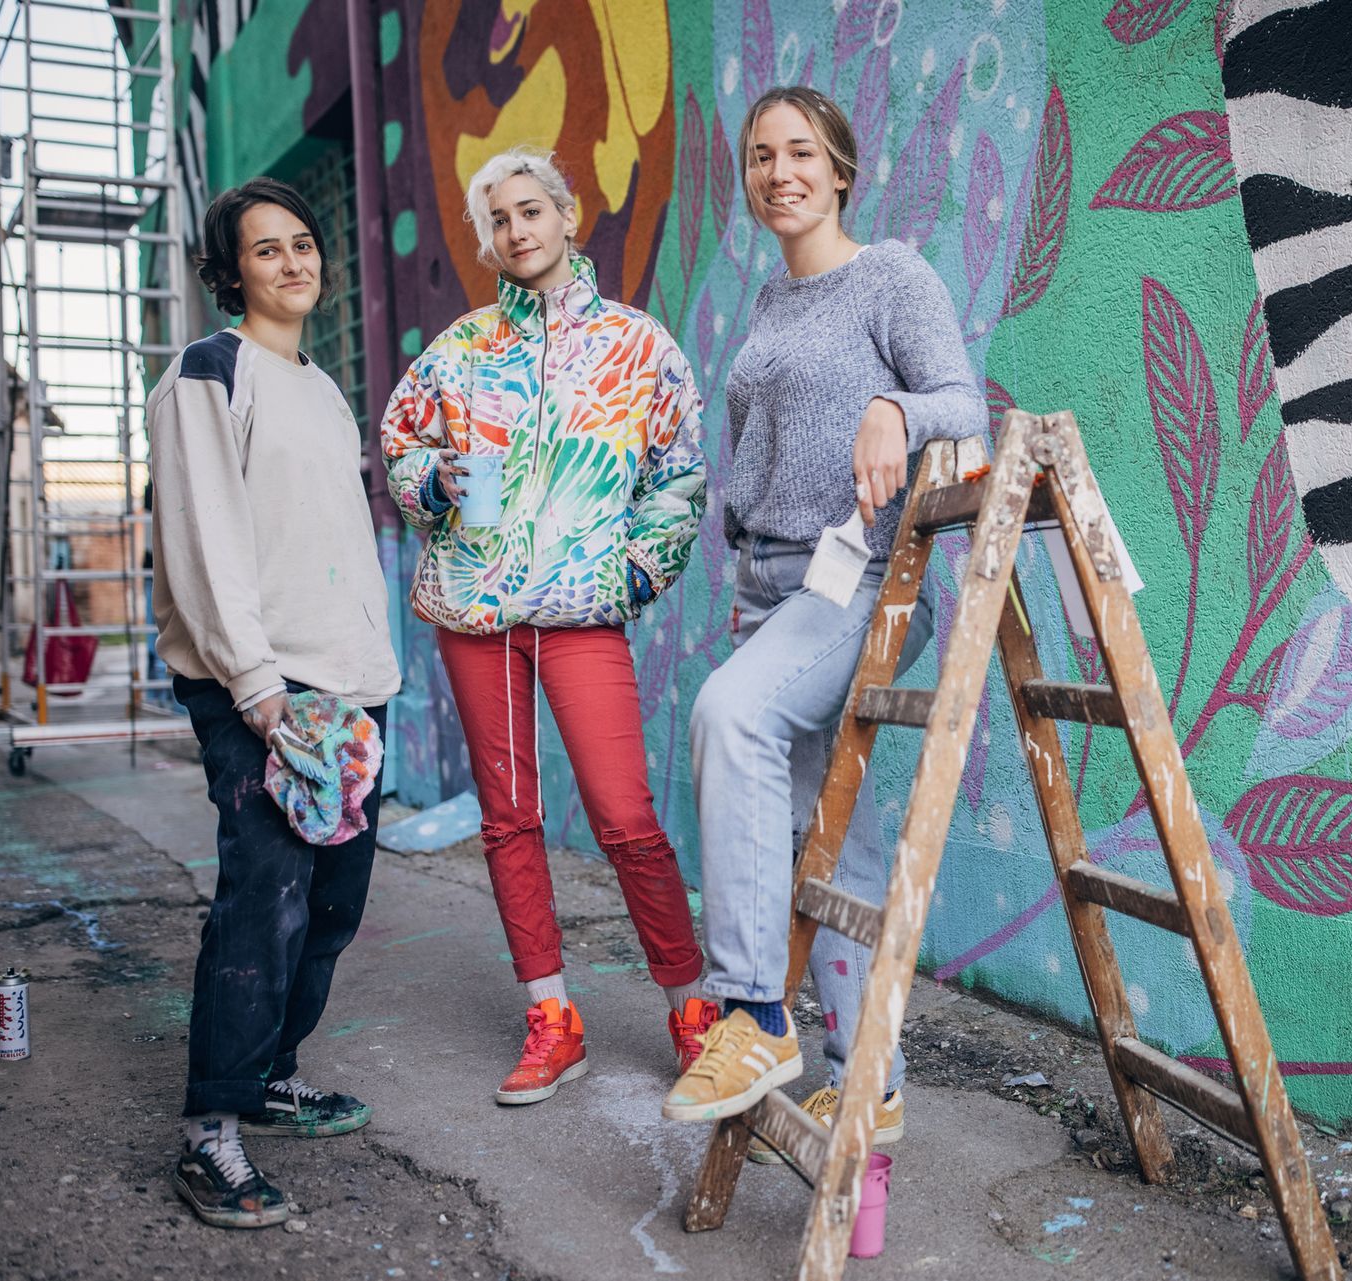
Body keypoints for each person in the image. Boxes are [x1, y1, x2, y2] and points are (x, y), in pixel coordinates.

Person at [661, 87, 985, 1155]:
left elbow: (965, 407)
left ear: (840, 169)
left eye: (800, 152)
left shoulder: (888, 274)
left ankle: (752, 1014)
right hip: (770, 590)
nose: (778, 171)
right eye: (760, 156)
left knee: (728, 720)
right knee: (817, 840)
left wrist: (891, 408)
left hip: (854, 585)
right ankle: (870, 1079)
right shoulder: (767, 305)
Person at [381, 146, 713, 1109]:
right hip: (475, 609)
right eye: (499, 219)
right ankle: (552, 1016)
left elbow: (678, 480)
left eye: (532, 211)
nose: (517, 231)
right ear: (485, 238)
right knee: (508, 819)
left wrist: (630, 572)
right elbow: (405, 440)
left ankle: (690, 1006)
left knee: (625, 816)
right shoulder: (460, 349)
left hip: (579, 613)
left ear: (569, 216)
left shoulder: (638, 345)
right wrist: (433, 483)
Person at [149, 177, 401, 1228]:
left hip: (348, 689)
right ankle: (213, 1132)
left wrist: (370, 676)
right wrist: (261, 696)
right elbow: (207, 543)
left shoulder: (326, 390)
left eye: (304, 245)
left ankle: (271, 1072)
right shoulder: (207, 375)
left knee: (334, 902)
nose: (294, 262)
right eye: (267, 250)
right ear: (229, 272)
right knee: (266, 898)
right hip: (264, 688)